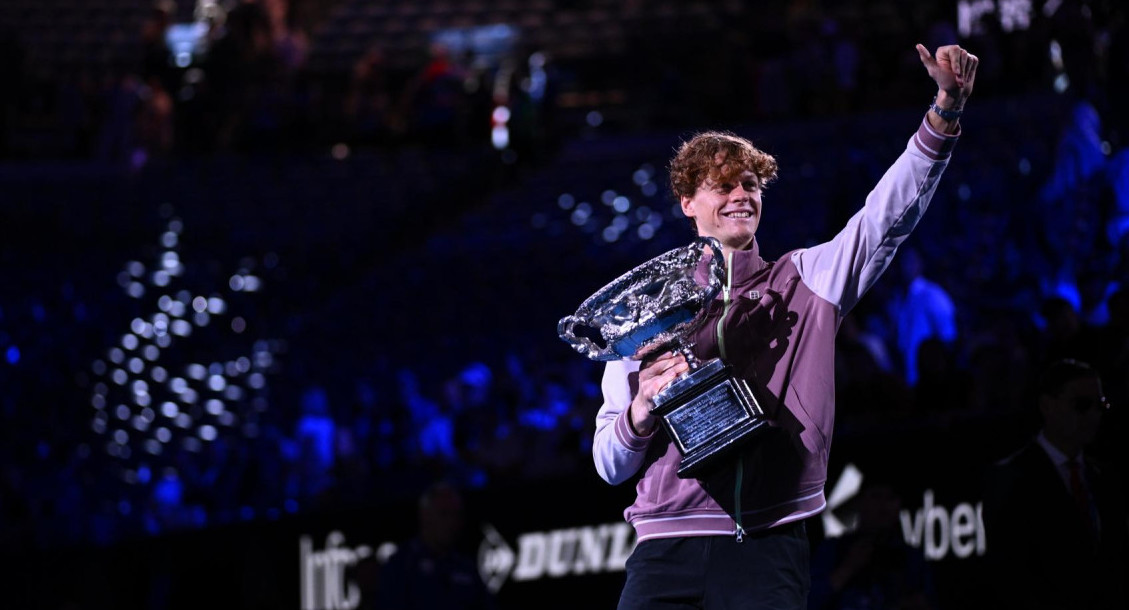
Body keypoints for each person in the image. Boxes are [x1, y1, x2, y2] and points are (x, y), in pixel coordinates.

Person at [592, 43, 978, 609]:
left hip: (766, 545)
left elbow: (886, 218)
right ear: (687, 204)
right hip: (664, 548)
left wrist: (944, 110)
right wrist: (641, 410)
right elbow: (609, 464)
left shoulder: (808, 279)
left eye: (750, 184)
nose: (741, 194)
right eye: (723, 186)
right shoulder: (644, 315)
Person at [982, 359, 1128, 610]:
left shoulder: (1104, 477)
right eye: (1082, 405)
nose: (1094, 414)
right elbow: (1010, 577)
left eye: (1101, 405)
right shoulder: (1010, 479)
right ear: (1047, 406)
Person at [373, 481, 497, 610]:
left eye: (457, 514)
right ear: (425, 515)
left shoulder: (467, 567)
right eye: (444, 513)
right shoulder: (401, 565)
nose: (452, 522)